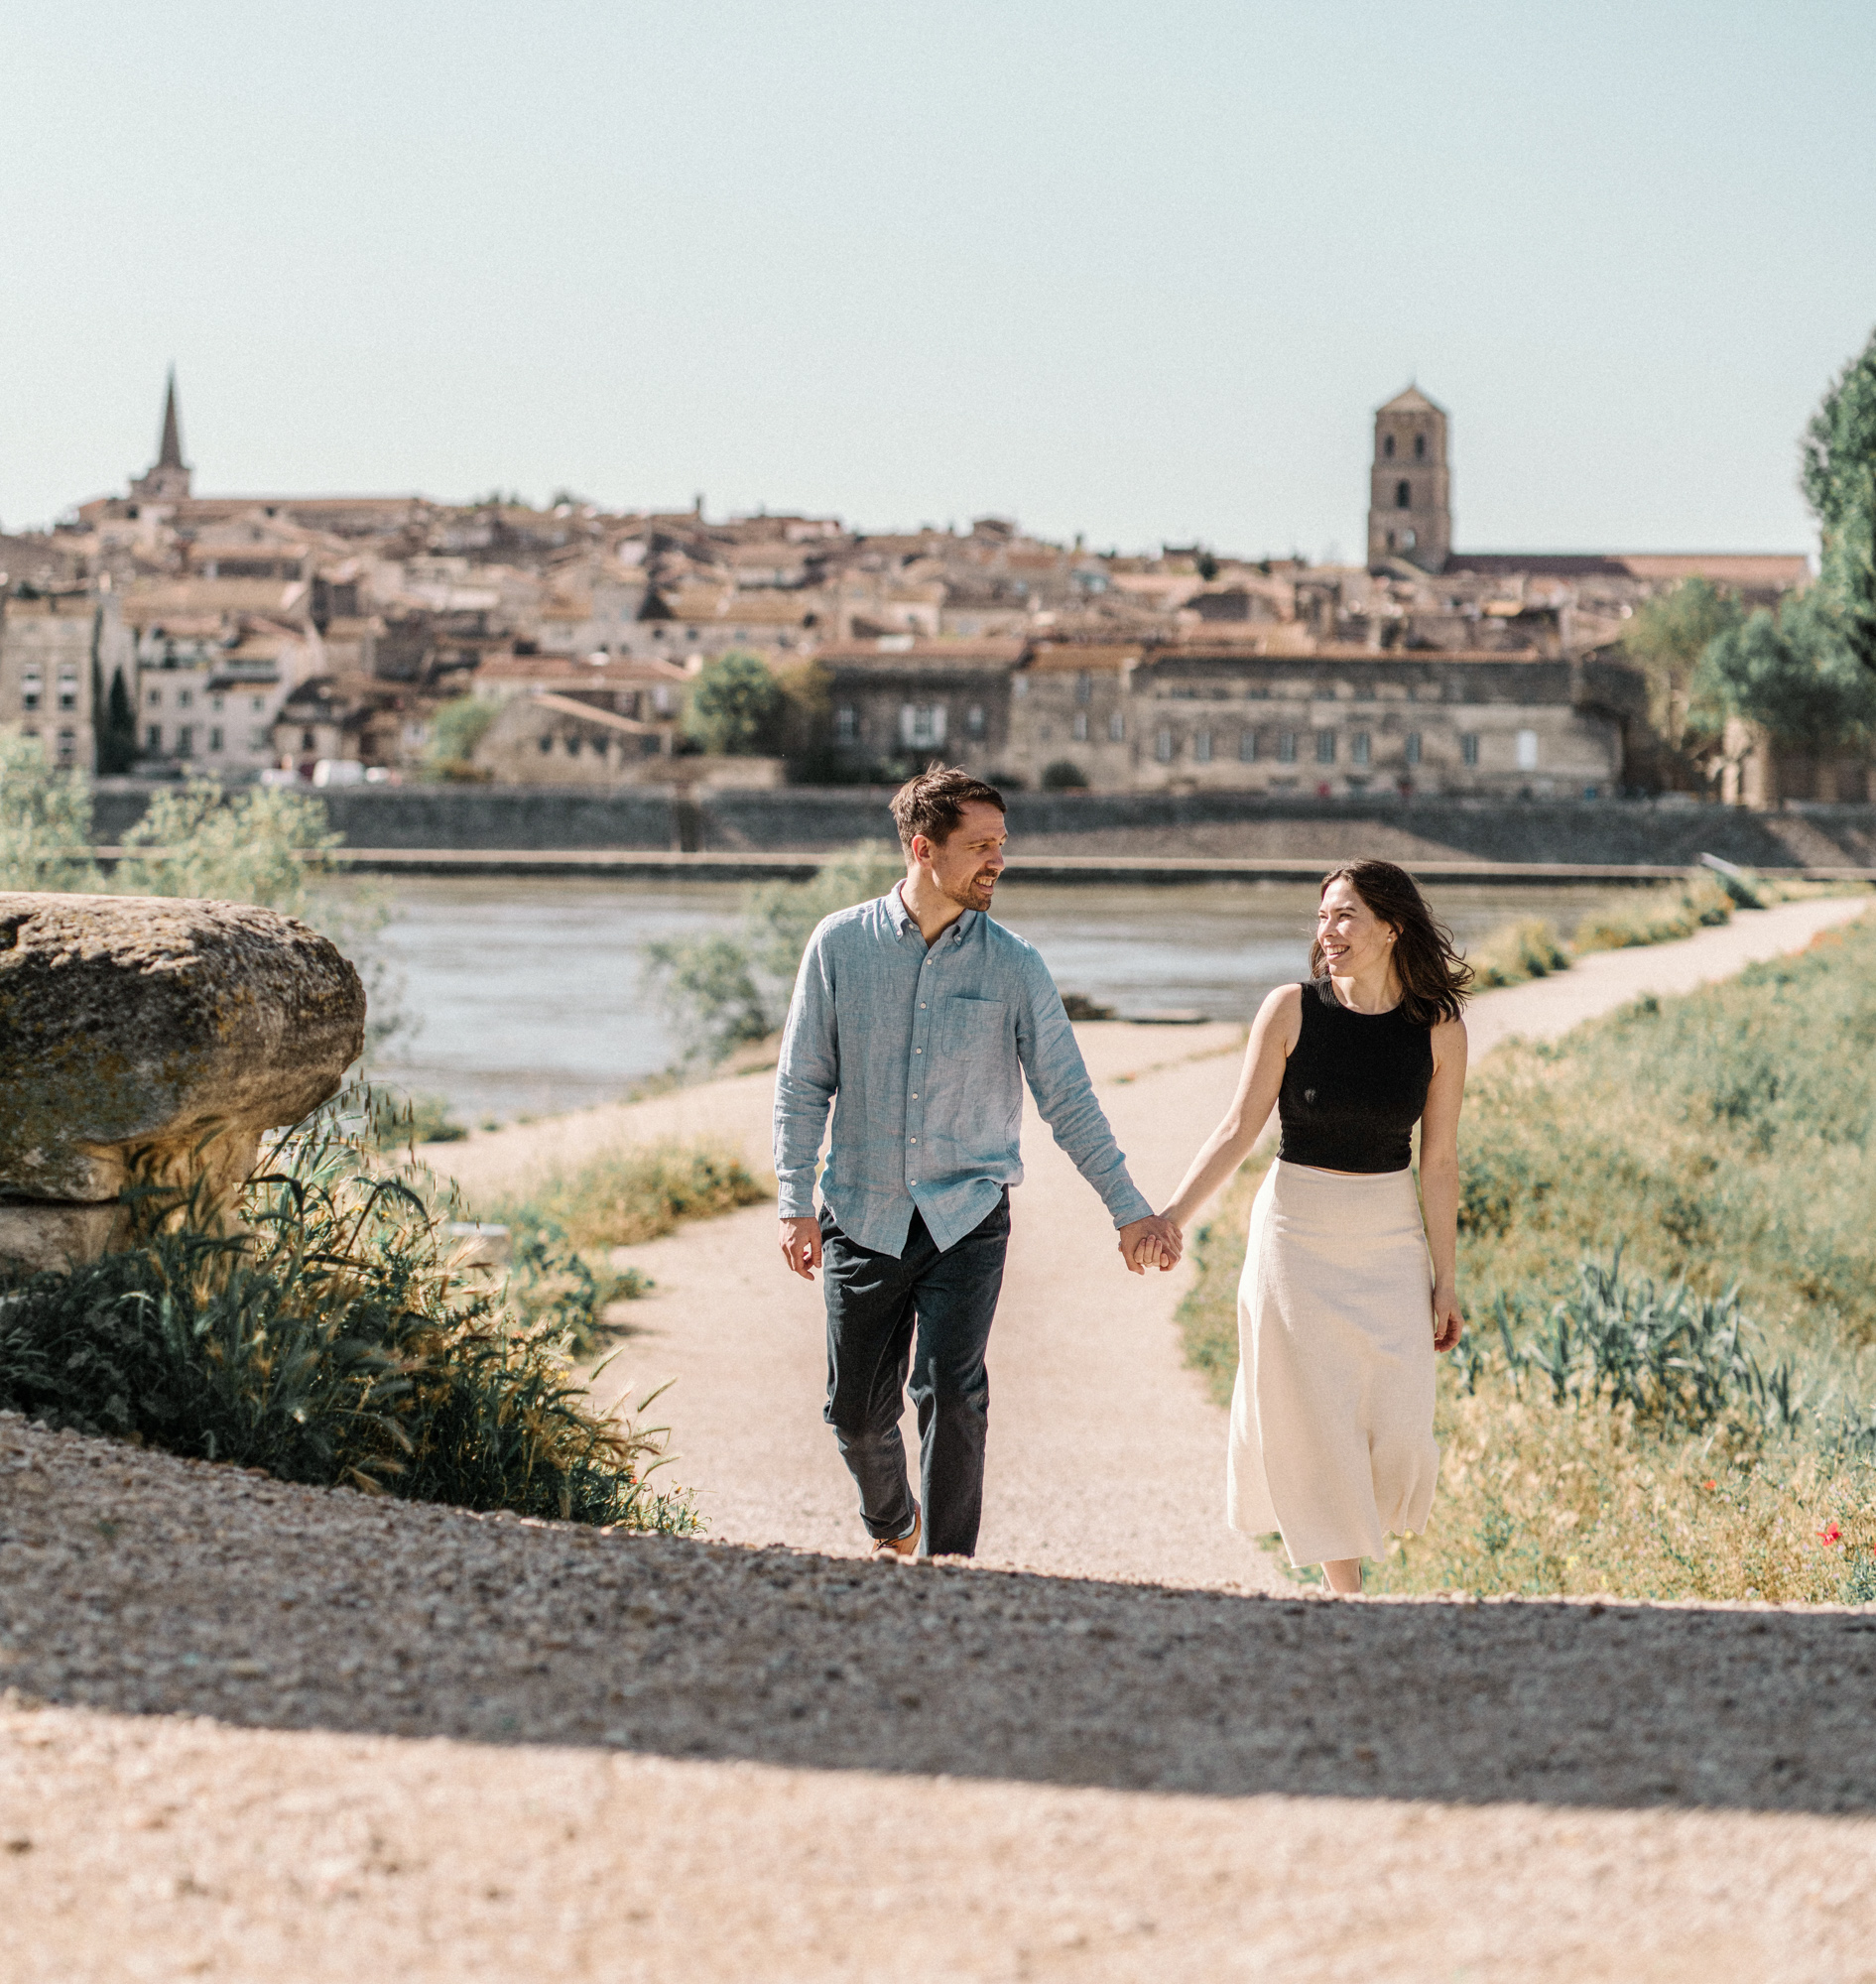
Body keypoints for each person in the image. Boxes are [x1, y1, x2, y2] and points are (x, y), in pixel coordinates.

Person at [773, 765, 1183, 1562]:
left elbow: (1067, 1098)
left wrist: (1130, 1208)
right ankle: (894, 1524)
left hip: (967, 1215)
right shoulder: (838, 944)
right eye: (981, 846)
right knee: (854, 1413)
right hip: (861, 1211)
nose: (998, 860)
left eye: (1002, 844)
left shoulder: (1014, 965)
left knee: (953, 1394)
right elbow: (801, 1084)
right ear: (923, 849)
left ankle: (950, 1572)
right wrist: (793, 1201)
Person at [1154, 860, 1471, 1595]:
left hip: (1388, 1235)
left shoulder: (1438, 1029)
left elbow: (1441, 1163)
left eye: (1344, 916)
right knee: (1315, 1409)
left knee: (1396, 1417)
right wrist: (1171, 1217)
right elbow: (1237, 1129)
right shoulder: (1290, 1010)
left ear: (1391, 926)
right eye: (1321, 917)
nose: (1327, 932)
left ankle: (1352, 1550)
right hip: (1295, 1235)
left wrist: (1445, 1279)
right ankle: (1344, 1591)